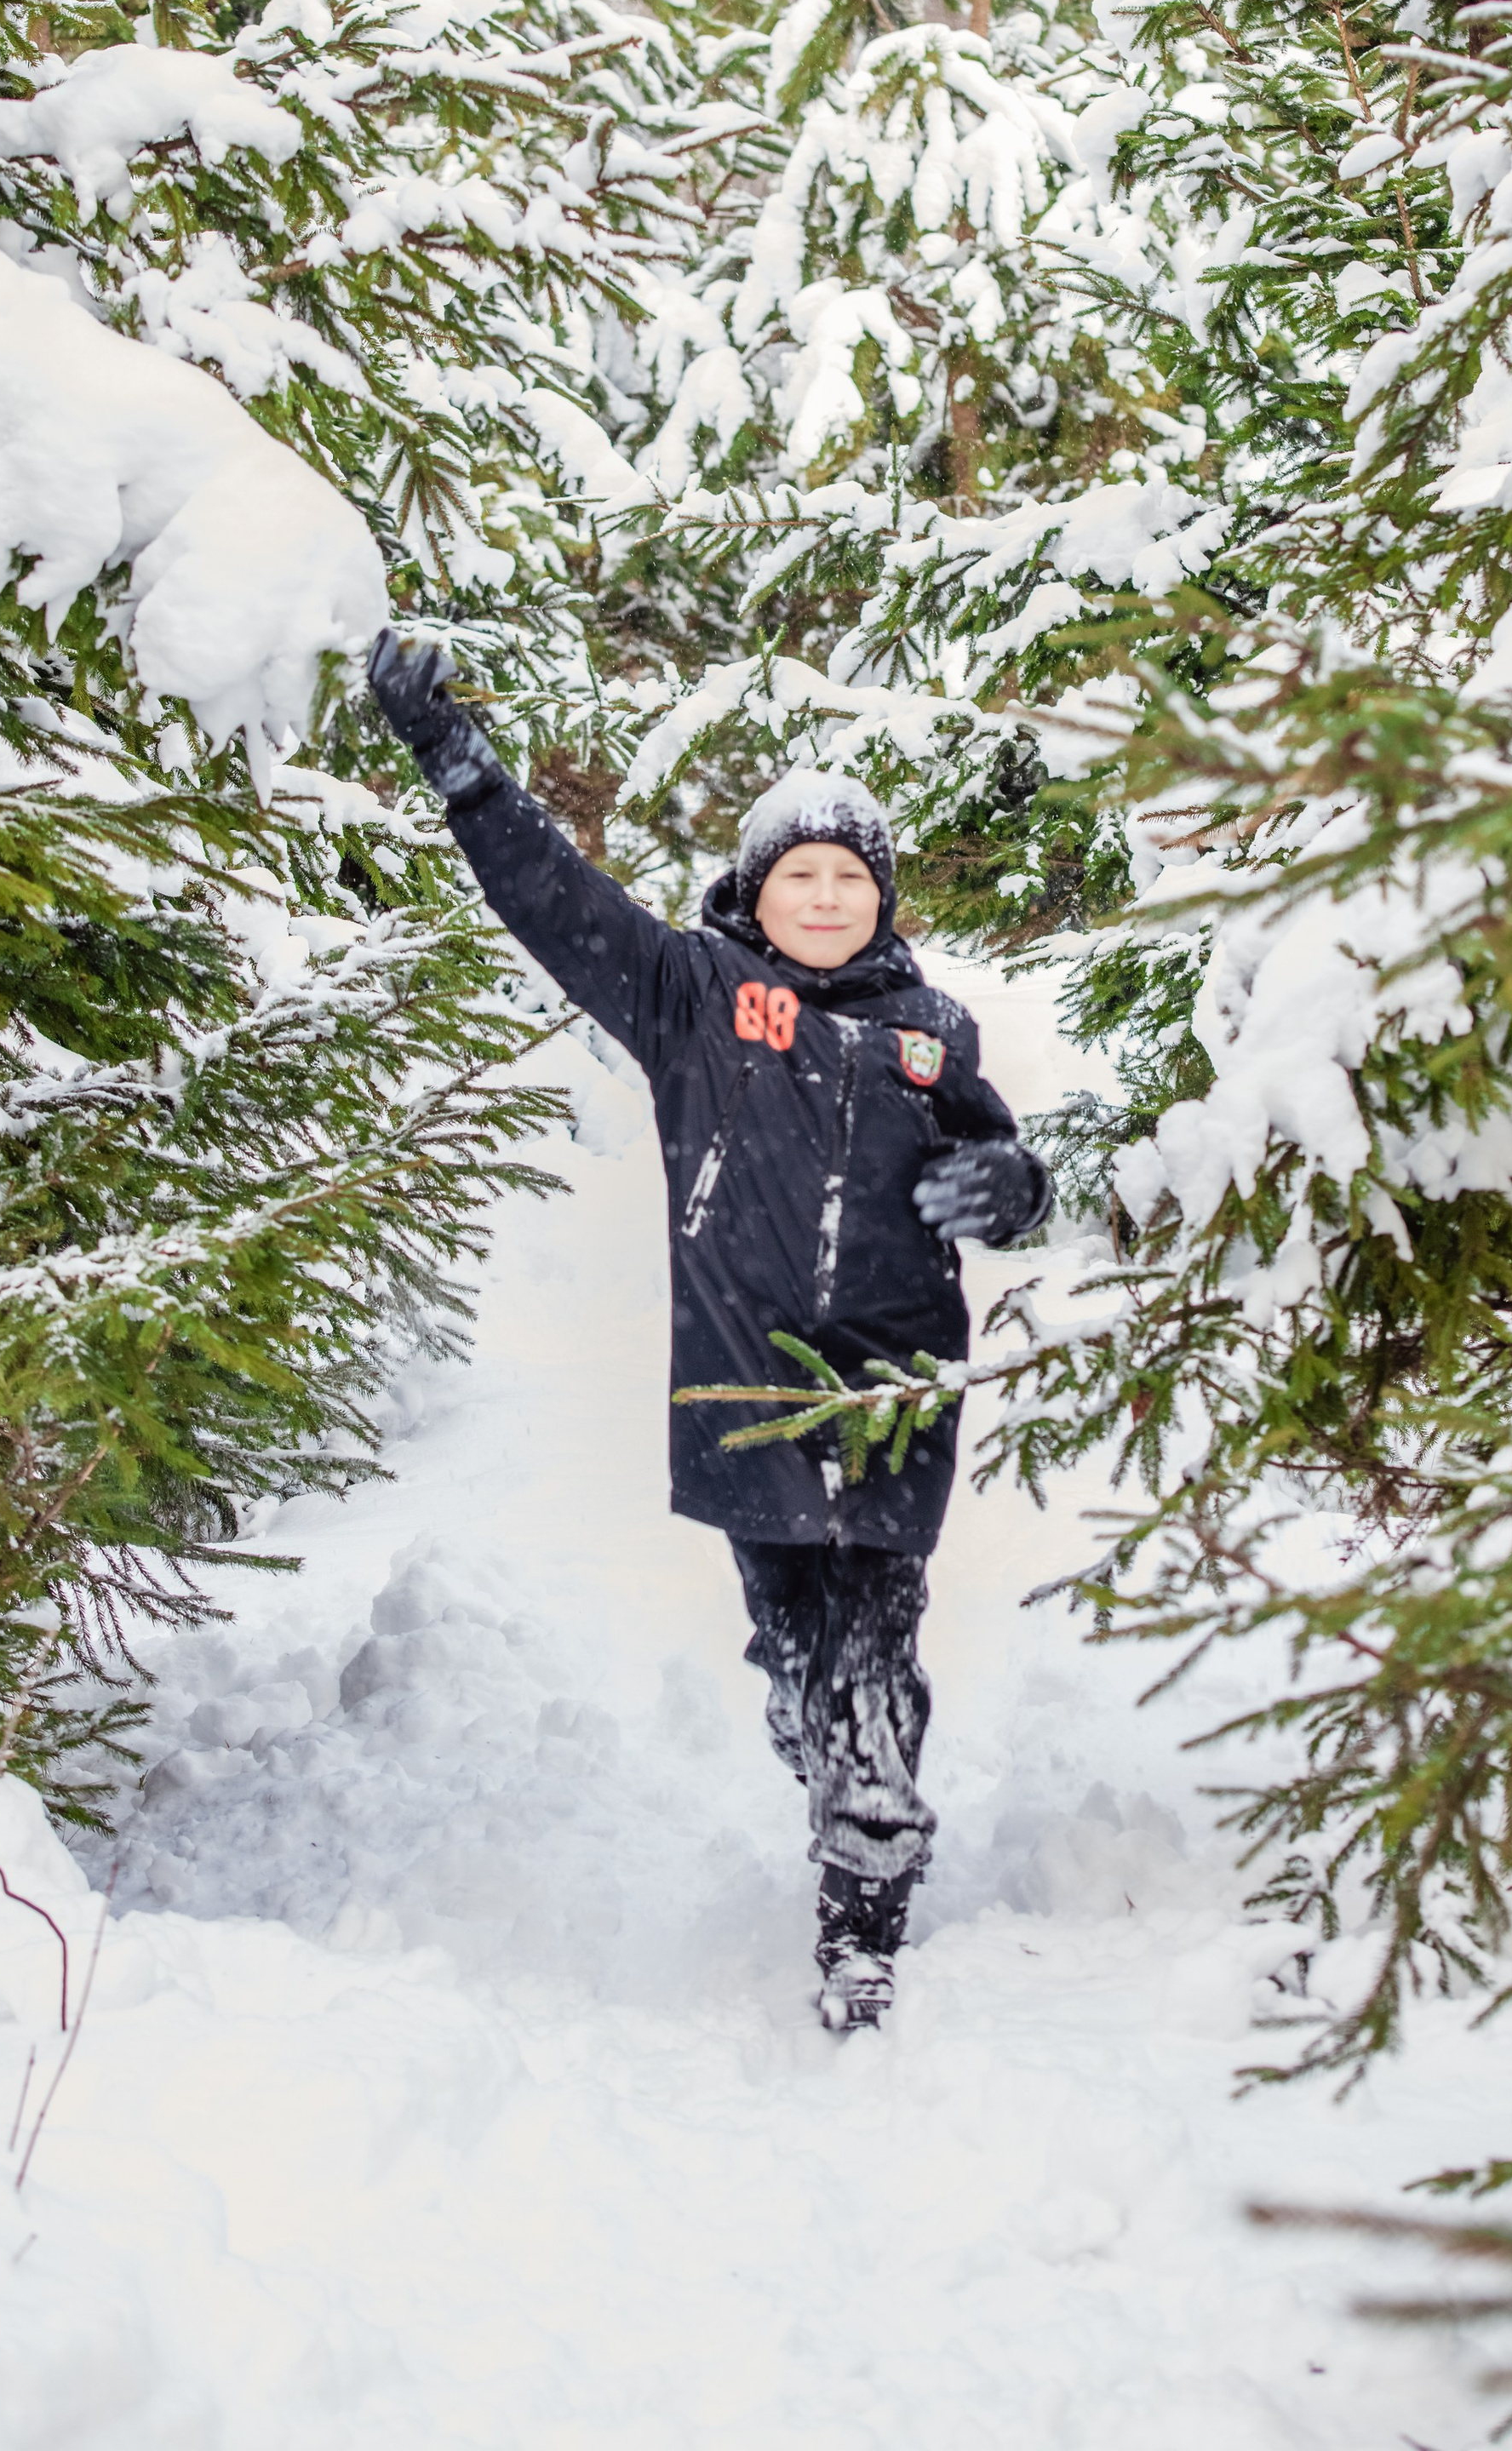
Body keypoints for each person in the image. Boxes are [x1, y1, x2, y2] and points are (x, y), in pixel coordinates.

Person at [366, 632, 1053, 2032]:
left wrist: (1010, 1186)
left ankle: (863, 1920)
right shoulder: (687, 996)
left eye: (849, 877)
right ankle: (820, 1739)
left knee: (875, 1658)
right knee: (800, 1654)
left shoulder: (933, 1028)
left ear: (882, 898)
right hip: (745, 1391)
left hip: (896, 1393)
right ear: (754, 892)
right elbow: (556, 902)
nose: (825, 897)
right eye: (799, 876)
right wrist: (460, 764)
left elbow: (1003, 1163)